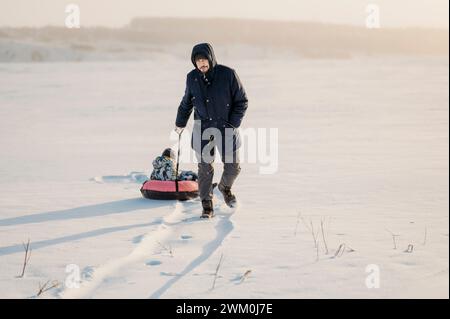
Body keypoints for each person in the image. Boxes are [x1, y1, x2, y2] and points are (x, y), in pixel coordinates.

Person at [175, 43, 248, 218]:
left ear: (211, 58)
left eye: (204, 59)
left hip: (226, 126)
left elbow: (242, 101)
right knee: (205, 168)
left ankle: (224, 187)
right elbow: (187, 103)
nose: (201, 63)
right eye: (197, 61)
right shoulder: (192, 78)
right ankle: (206, 204)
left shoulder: (228, 74)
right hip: (203, 127)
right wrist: (180, 122)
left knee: (233, 167)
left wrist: (233, 123)